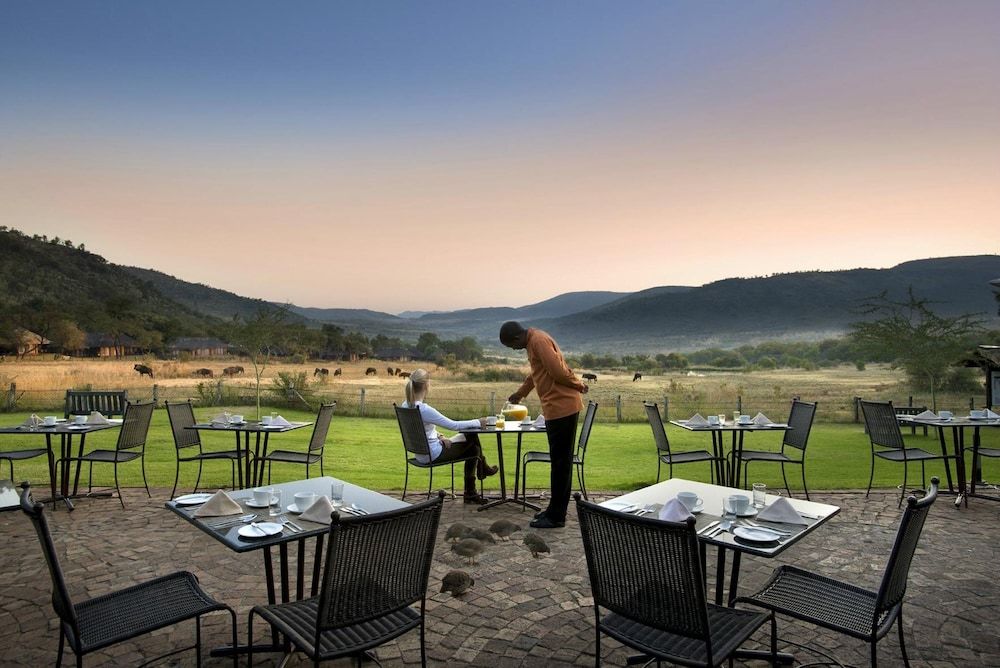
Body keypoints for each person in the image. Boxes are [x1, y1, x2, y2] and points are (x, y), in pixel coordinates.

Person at [499, 321, 588, 528]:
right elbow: (536, 374)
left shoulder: (538, 341)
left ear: (516, 338)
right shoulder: (533, 343)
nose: (513, 349)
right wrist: (520, 394)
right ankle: (553, 510)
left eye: (511, 346)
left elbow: (557, 371)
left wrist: (579, 385)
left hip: (562, 407)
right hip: (555, 408)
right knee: (558, 462)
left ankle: (557, 516)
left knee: (561, 464)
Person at [401, 368, 498, 504]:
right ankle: (479, 475)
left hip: (420, 454)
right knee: (472, 436)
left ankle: (478, 478)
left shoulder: (405, 405)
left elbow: (422, 430)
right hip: (433, 454)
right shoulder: (424, 409)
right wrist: (479, 422)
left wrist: (440, 436)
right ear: (426, 385)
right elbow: (454, 425)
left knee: (474, 449)